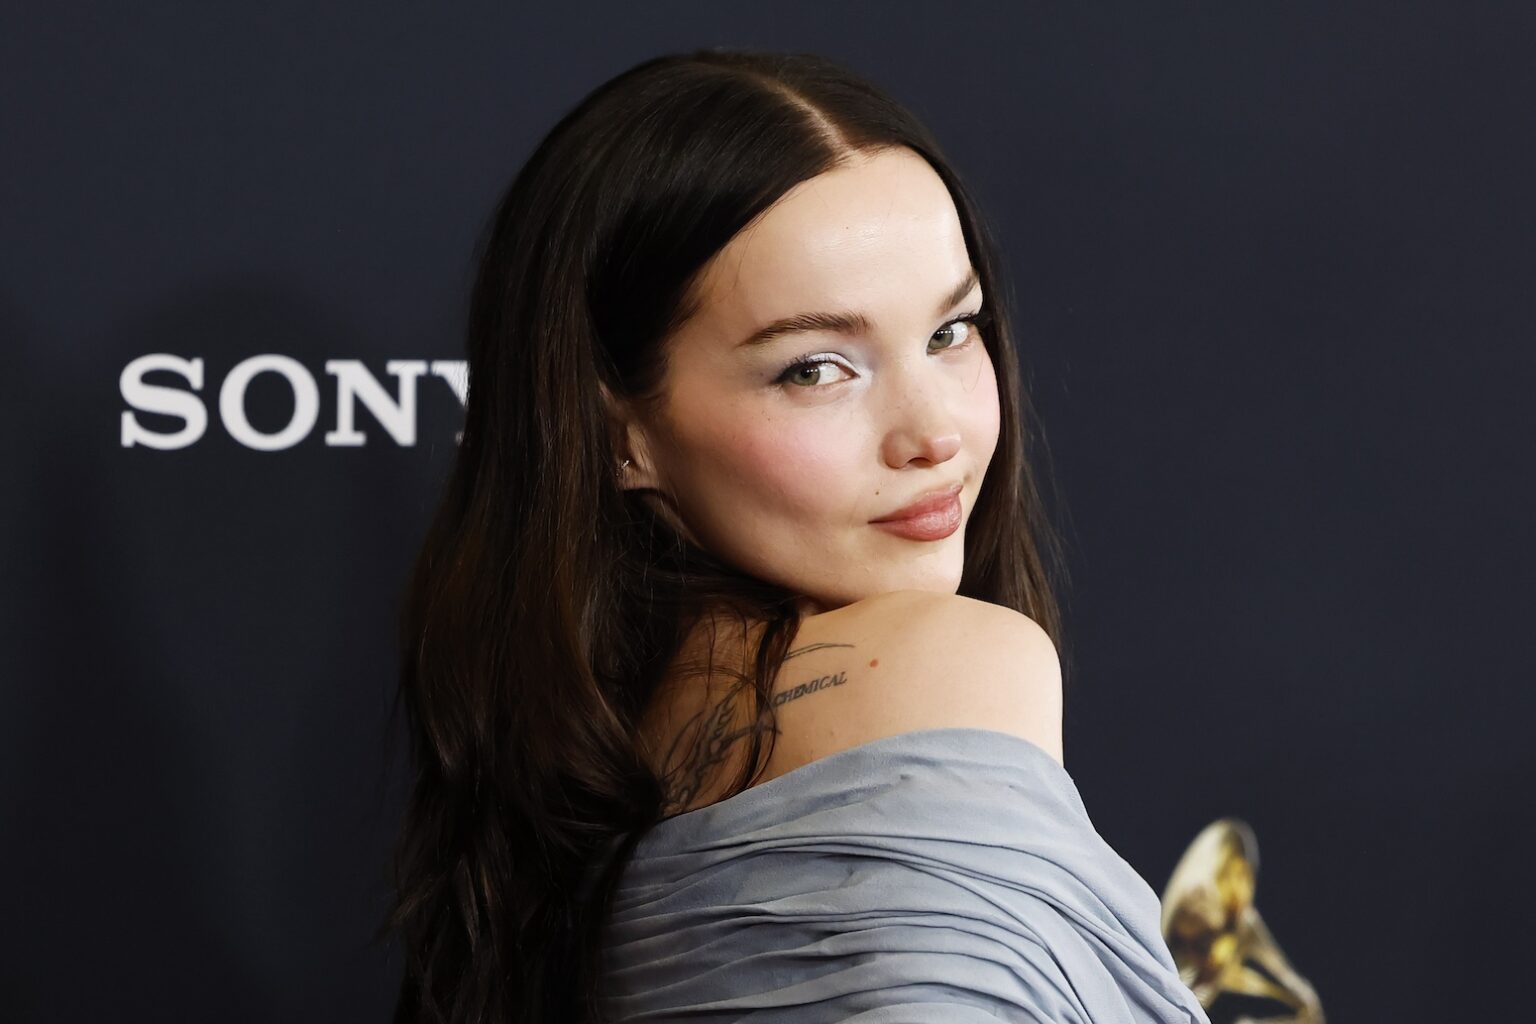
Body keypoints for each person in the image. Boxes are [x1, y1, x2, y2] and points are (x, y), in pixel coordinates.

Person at [379, 46, 1210, 1024]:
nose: (934, 433)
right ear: (617, 434)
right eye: (816, 369)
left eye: (951, 331)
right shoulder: (944, 670)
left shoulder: (589, 767)